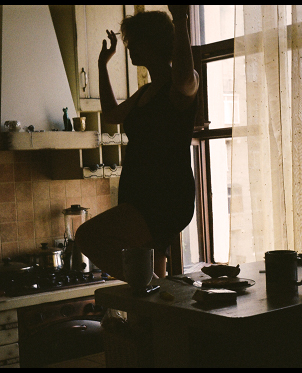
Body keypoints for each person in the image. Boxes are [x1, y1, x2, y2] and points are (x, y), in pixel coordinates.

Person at [75, 6, 199, 281]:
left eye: (133, 41)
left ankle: (150, 291)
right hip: (142, 196)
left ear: (151, 43)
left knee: (87, 237)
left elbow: (182, 76)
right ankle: (155, 297)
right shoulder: (146, 91)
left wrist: (180, 19)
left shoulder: (181, 86)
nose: (128, 47)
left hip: (163, 198)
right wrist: (102, 65)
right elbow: (110, 114)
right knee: (151, 276)